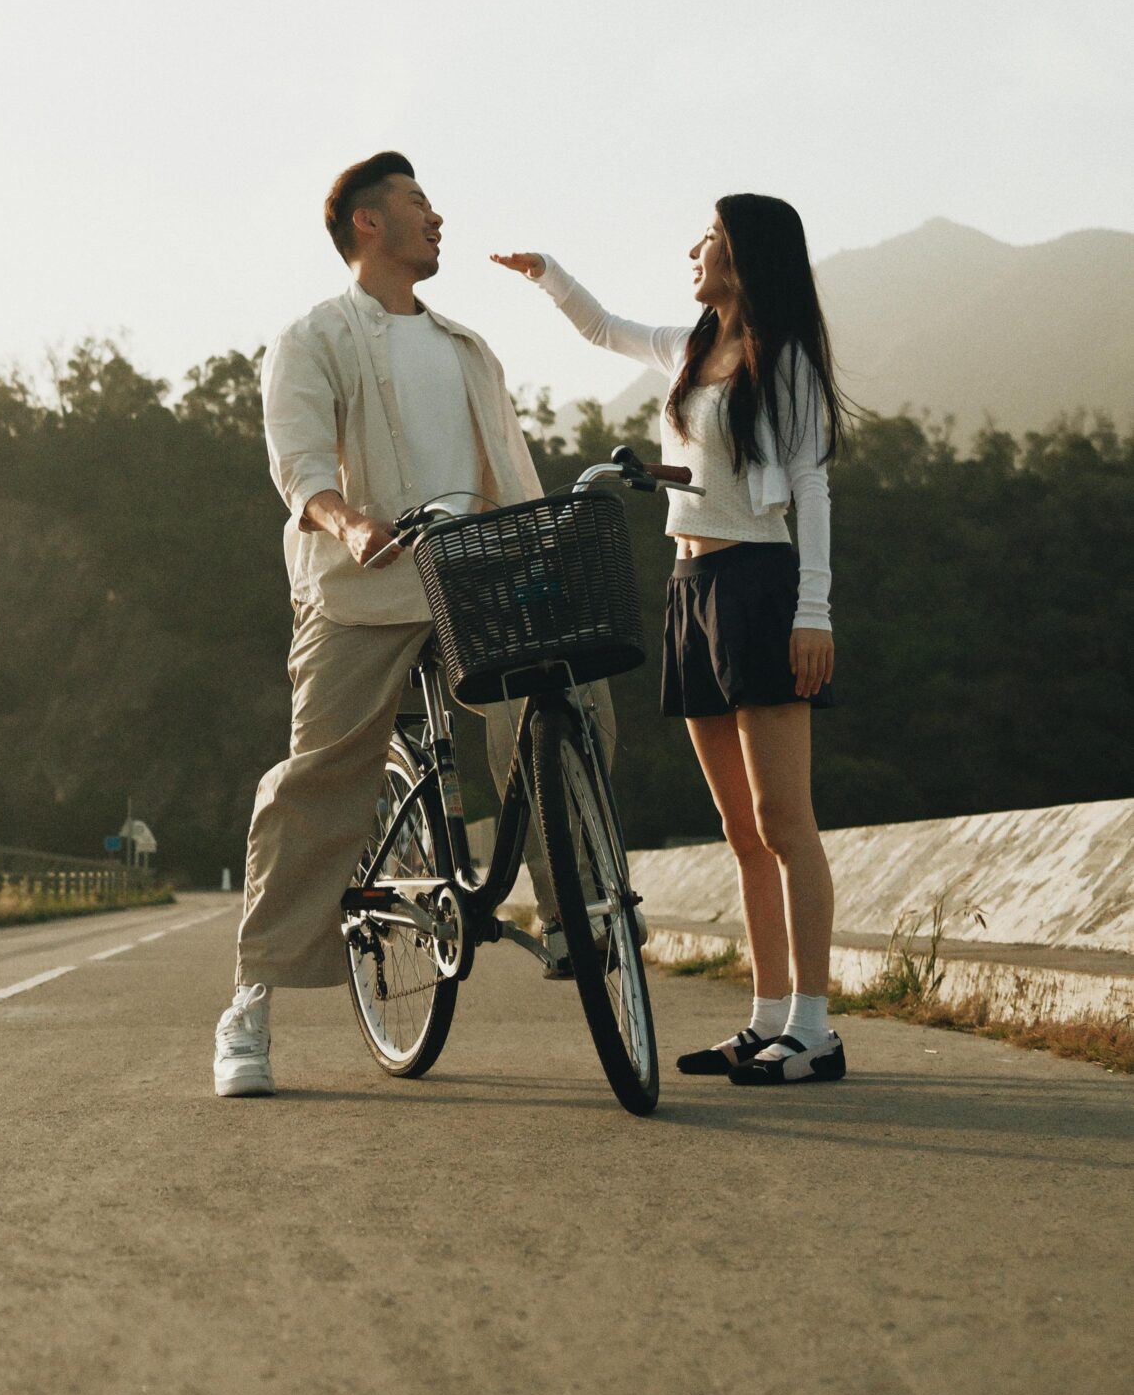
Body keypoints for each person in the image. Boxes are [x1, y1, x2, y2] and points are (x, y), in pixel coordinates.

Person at [213, 151, 615, 1097]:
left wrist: (541, 554)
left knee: (568, 707)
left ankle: (574, 918)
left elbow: (509, 477)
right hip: (362, 586)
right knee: (321, 772)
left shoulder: (465, 346)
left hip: (476, 579)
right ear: (367, 224)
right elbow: (298, 463)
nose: (437, 219)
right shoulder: (313, 336)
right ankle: (250, 1003)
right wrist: (351, 522)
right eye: (418, 204)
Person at [493, 195, 850, 1086]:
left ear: (743, 255)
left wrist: (815, 611)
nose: (693, 248)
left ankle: (816, 1029)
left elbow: (810, 486)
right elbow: (604, 329)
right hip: (690, 588)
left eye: (709, 238)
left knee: (783, 822)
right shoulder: (692, 348)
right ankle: (767, 1017)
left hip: (762, 586)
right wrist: (547, 276)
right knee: (736, 827)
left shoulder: (786, 358)